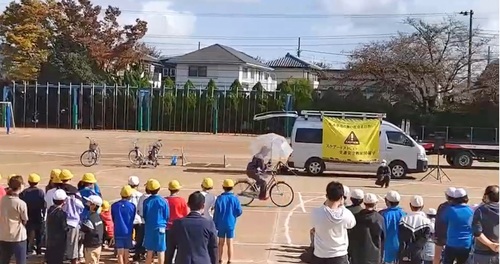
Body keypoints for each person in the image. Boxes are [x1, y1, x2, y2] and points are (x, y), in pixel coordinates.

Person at [166, 191, 219, 264]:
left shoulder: (178, 224)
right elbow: (213, 248)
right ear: (203, 206)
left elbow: (170, 248)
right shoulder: (209, 224)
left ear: (188, 205)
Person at [310, 181, 356, 264]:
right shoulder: (346, 214)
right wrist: (342, 206)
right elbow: (351, 224)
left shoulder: (316, 212)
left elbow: (314, 225)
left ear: (327, 196)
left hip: (320, 255)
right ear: (342, 197)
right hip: (339, 255)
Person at [349, 193, 384, 264]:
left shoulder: (356, 217)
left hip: (358, 254)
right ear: (375, 203)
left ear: (364, 203)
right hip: (374, 255)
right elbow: (383, 238)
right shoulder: (379, 218)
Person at [0, 175, 28, 264]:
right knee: (21, 261)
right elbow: (25, 219)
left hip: (4, 235)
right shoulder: (21, 203)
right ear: (20, 186)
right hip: (18, 237)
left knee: (4, 260)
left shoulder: (2, 200)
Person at [213, 179, 243, 263]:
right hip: (230, 223)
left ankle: (219, 259)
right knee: (230, 243)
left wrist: (215, 222)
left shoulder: (219, 198)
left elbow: (216, 212)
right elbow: (239, 211)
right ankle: (230, 260)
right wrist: (234, 216)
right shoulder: (235, 199)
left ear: (223, 187)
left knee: (220, 243)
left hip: (221, 223)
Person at [59, 169, 84, 264]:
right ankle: (73, 260)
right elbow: (80, 206)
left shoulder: (58, 190)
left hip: (61, 220)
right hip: (73, 221)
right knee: (73, 244)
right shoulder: (74, 191)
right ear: (69, 178)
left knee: (62, 242)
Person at [442, 188, 474, 264]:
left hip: (451, 244)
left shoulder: (449, 210)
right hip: (466, 244)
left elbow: (444, 223)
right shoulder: (471, 211)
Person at [398, 195, 432, 264]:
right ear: (422, 206)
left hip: (405, 253)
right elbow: (425, 239)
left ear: (410, 205)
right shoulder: (427, 222)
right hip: (419, 255)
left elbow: (401, 238)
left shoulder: (403, 220)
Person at [143, 179, 169, 264]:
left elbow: (145, 215)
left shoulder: (146, 201)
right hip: (161, 226)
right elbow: (167, 215)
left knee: (149, 250)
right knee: (161, 250)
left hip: (150, 227)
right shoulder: (163, 201)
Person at [19, 173, 45, 255]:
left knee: (27, 233)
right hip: (37, 215)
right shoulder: (40, 192)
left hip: (28, 215)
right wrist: (43, 214)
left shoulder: (24, 192)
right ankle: (39, 250)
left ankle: (26, 250)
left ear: (29, 181)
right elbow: (43, 205)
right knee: (39, 234)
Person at [471, 185, 499, 264]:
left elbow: (477, 232)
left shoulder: (480, 211)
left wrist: (491, 245)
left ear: (487, 196)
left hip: (482, 253)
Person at [379, 190, 406, 264]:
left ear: (387, 202)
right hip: (400, 246)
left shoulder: (383, 214)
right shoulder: (404, 214)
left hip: (386, 248)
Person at [111, 185, 136, 264]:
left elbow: (113, 218)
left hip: (118, 230)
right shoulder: (132, 206)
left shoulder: (114, 205)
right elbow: (132, 218)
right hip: (128, 230)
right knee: (126, 251)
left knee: (120, 253)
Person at [434, 187, 457, 264]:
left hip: (441, 235)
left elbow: (438, 221)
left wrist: (436, 234)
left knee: (437, 257)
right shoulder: (458, 207)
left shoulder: (442, 206)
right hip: (453, 235)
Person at [45, 189, 68, 264]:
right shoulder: (61, 213)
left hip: (51, 238)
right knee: (58, 258)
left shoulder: (50, 209)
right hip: (59, 240)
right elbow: (64, 227)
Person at [81, 195, 104, 264]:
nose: (87, 204)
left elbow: (85, 230)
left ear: (94, 205)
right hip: (98, 245)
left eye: (89, 202)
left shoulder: (90, 219)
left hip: (90, 246)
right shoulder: (99, 217)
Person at [126, 176, 144, 262]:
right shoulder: (140, 195)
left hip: (129, 219)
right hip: (139, 219)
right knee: (139, 238)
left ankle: (127, 252)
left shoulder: (127, 194)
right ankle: (137, 254)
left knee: (128, 236)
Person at [136, 181, 152, 262]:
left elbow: (138, 210)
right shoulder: (155, 199)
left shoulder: (142, 197)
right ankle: (149, 255)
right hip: (151, 223)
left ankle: (139, 254)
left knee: (140, 239)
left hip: (143, 221)